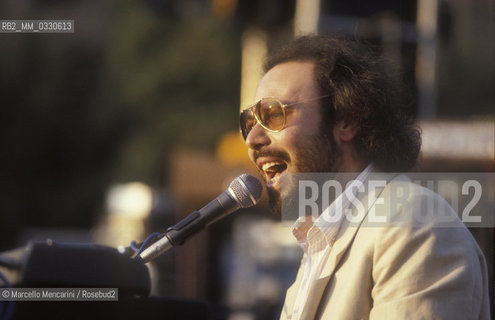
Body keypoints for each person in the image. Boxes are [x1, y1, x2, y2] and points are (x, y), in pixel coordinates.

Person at [239, 35, 490, 319]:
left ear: (347, 120)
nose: (253, 139)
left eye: (272, 115)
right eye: (248, 124)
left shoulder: (413, 223)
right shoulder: (320, 241)